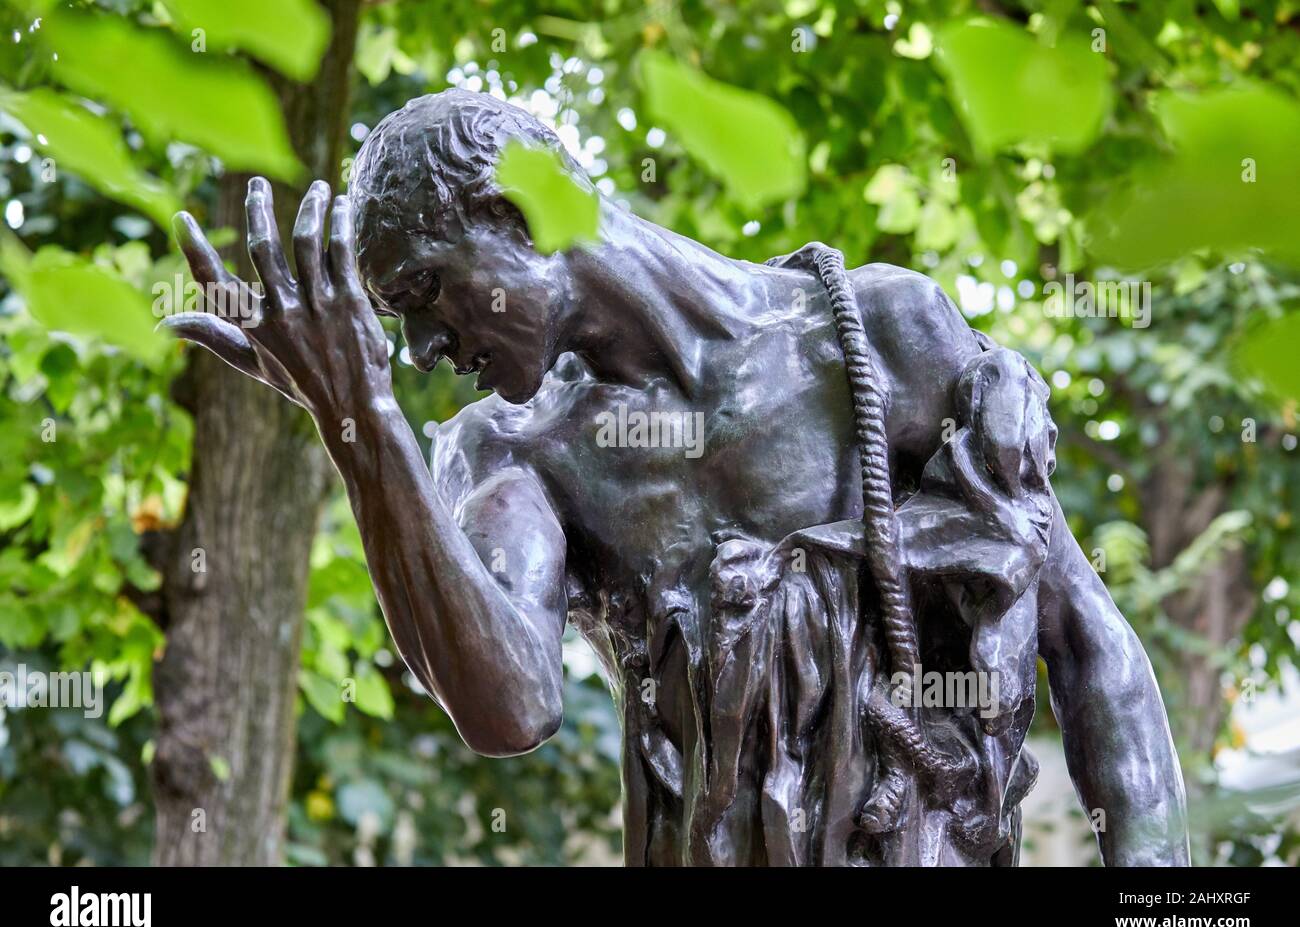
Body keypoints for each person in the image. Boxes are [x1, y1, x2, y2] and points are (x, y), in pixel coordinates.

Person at [163, 90, 1188, 866]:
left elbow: (1089, 644)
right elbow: (508, 708)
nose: (423, 346)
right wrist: (359, 419)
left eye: (424, 292)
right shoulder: (515, 450)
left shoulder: (869, 336)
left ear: (517, 211)